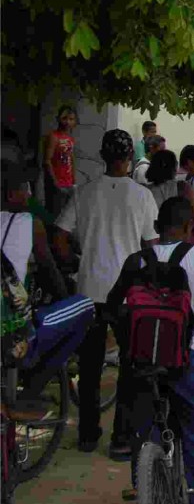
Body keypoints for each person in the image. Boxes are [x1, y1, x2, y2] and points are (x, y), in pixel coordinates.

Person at [104, 197, 194, 504]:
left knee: (145, 433)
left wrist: (132, 339)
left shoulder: (136, 260)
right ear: (191, 227)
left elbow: (113, 305)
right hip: (185, 358)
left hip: (142, 361)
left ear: (158, 227)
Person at [53, 128, 160, 456]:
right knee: (130, 367)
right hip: (128, 295)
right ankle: (121, 439)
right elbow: (153, 246)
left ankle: (87, 435)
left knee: (89, 367)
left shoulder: (84, 193)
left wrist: (75, 261)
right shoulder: (142, 196)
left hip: (89, 291)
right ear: (130, 158)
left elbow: (58, 237)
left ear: (102, 156)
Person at [2, 160, 93, 410]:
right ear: (12, 194)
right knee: (84, 308)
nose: (30, 194)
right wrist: (65, 300)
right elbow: (49, 270)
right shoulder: (30, 223)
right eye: (26, 188)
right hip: (11, 336)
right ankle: (32, 387)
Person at [42, 105, 77, 220]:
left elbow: (71, 159)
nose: (67, 122)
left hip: (69, 184)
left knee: (66, 219)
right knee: (55, 218)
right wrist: (55, 182)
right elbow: (47, 161)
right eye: (65, 118)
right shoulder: (53, 137)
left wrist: (74, 180)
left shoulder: (70, 138)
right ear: (59, 119)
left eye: (71, 119)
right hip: (57, 185)